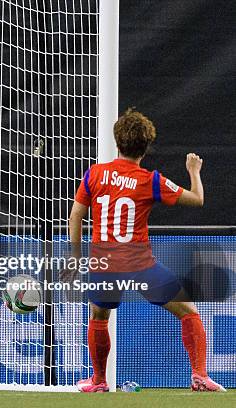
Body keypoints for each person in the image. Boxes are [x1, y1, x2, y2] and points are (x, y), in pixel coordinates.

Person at [69, 108, 225, 392]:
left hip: (103, 265)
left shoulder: (95, 174)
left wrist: (76, 256)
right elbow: (197, 199)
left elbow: (76, 214)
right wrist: (194, 172)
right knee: (189, 312)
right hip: (140, 266)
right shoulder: (150, 180)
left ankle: (99, 381)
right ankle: (200, 375)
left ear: (117, 142)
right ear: (146, 147)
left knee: (98, 317)